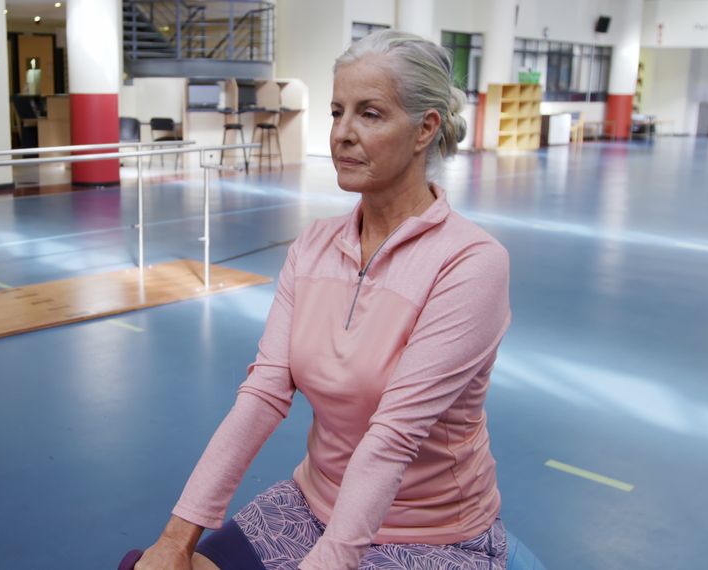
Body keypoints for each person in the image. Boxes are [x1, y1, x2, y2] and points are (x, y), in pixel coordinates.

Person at [136, 30, 511, 570]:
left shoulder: (471, 263)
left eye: (370, 114)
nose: (342, 134)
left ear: (425, 128)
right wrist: (176, 538)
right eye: (338, 112)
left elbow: (393, 436)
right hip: (313, 506)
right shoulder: (313, 246)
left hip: (433, 534)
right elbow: (263, 394)